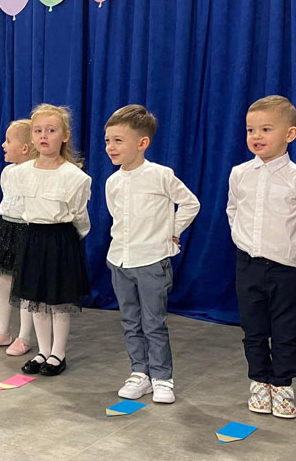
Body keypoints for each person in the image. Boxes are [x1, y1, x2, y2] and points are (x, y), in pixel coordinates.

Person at [227, 95, 296, 419]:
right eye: (250, 130)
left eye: (266, 129)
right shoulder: (240, 173)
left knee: (284, 330)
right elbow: (233, 210)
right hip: (247, 264)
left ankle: (282, 384)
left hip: (284, 268)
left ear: (290, 134)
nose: (256, 136)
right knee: (253, 329)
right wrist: (245, 240)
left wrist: (286, 245)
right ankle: (259, 381)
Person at [104, 105, 200, 404]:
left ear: (142, 143)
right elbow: (117, 216)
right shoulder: (112, 182)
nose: (111, 147)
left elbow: (190, 203)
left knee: (153, 323)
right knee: (130, 321)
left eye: (118, 140)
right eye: (108, 140)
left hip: (151, 262)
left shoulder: (160, 175)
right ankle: (139, 373)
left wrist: (172, 231)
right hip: (119, 260)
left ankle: (162, 377)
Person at [11, 104, 91, 377]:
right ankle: (43, 350)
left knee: (58, 300)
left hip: (60, 239)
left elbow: (79, 216)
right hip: (33, 237)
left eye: (51, 130)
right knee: (36, 299)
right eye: (38, 131)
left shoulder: (74, 177)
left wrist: (68, 241)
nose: (44, 136)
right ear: (32, 137)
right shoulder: (21, 173)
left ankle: (58, 353)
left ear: (65, 136)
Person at [0, 119, 37, 356]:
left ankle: (24, 336)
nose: (3, 145)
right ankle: (2, 330)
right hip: (7, 228)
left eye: (8, 141)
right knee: (2, 279)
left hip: (28, 230)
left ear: (24, 148)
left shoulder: (35, 172)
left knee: (26, 285)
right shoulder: (7, 172)